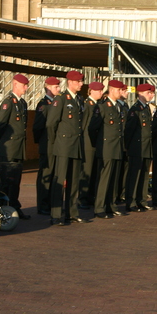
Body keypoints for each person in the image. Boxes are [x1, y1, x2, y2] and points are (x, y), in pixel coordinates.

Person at [47, 70, 89, 225]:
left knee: (74, 181)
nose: (81, 84)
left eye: (81, 81)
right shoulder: (61, 99)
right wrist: (55, 142)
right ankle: (56, 214)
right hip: (63, 145)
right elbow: (51, 123)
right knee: (60, 179)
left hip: (76, 145)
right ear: (70, 82)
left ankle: (71, 212)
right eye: (78, 81)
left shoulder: (79, 99)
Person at [0, 73, 31, 220]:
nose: (26, 88)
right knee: (5, 182)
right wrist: (3, 141)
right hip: (9, 148)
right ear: (15, 84)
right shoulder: (8, 102)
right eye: (24, 85)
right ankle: (2, 209)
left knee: (15, 182)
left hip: (18, 148)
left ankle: (14, 207)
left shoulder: (22, 103)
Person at [88, 80, 126, 218]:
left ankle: (111, 205)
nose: (120, 92)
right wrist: (98, 144)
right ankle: (99, 208)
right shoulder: (102, 106)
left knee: (113, 179)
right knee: (104, 179)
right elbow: (93, 128)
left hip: (117, 147)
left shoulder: (118, 106)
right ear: (111, 90)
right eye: (118, 90)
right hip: (106, 147)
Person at [124, 83, 155, 212]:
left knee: (144, 175)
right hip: (137, 147)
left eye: (152, 93)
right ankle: (130, 202)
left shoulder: (146, 108)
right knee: (134, 175)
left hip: (146, 146)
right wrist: (128, 148)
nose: (151, 95)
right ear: (140, 93)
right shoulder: (135, 109)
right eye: (149, 93)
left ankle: (141, 200)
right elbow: (129, 130)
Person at [33, 76, 61, 216]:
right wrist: (42, 142)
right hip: (46, 144)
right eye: (56, 87)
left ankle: (50, 203)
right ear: (48, 88)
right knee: (45, 174)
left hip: (54, 144)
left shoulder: (55, 103)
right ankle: (43, 204)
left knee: (53, 174)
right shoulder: (43, 105)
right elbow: (38, 127)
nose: (59, 89)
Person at [79, 81, 105, 209]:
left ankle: (90, 196)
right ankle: (82, 198)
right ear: (91, 91)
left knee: (94, 171)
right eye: (99, 90)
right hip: (88, 143)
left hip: (95, 143)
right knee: (86, 171)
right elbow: (84, 126)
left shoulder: (98, 105)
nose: (101, 92)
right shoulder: (87, 105)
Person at [114, 83, 130, 205]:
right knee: (117, 172)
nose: (127, 93)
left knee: (124, 170)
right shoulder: (116, 106)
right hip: (117, 143)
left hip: (125, 143)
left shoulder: (125, 106)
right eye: (124, 90)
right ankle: (116, 195)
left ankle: (122, 193)